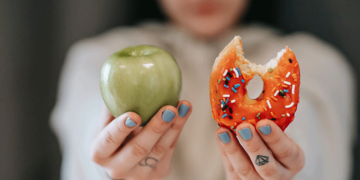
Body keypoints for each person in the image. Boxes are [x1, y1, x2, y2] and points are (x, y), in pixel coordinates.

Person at [50, 0, 355, 179]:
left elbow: (312, 129)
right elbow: (86, 126)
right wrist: (108, 162)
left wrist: (289, 164)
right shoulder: (93, 58)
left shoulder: (318, 61)